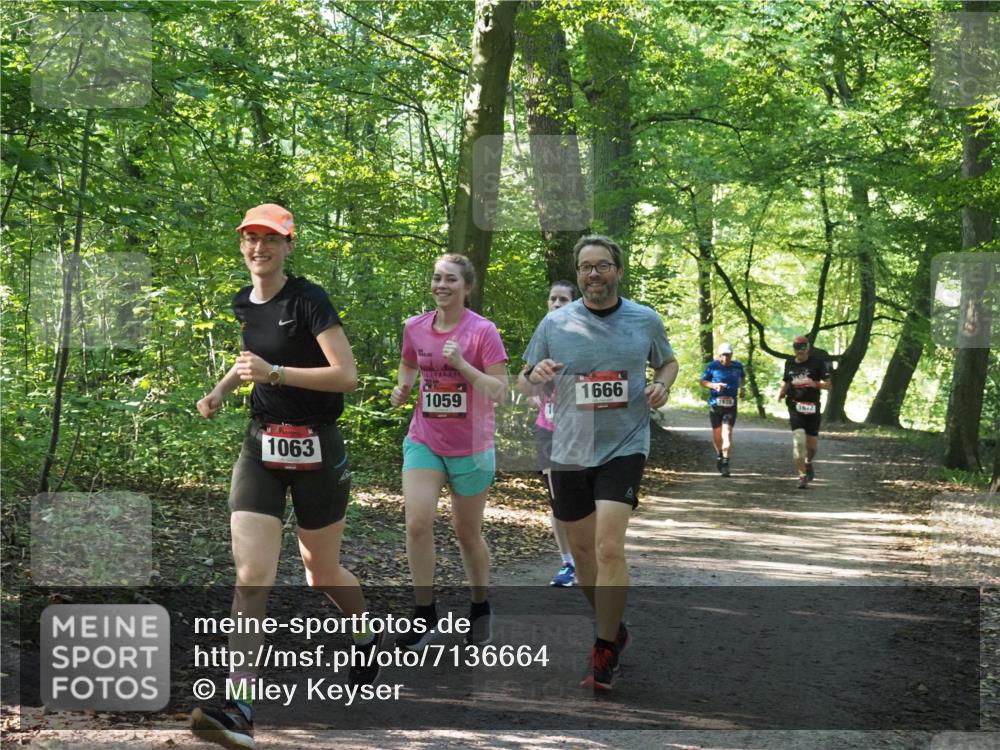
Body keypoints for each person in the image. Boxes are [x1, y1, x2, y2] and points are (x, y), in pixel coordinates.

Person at [190, 204, 380, 750]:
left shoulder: (309, 299)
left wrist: (277, 373)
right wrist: (222, 390)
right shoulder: (243, 302)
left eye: (271, 240)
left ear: (289, 246)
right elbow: (250, 355)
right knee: (252, 576)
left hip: (318, 446)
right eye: (251, 239)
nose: (259, 249)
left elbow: (347, 376)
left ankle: (365, 633)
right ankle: (239, 706)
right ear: (242, 245)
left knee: (321, 574)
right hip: (261, 447)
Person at [519, 234, 677, 691]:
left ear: (618, 271)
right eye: (586, 266)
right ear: (579, 272)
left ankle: (603, 649)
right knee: (584, 553)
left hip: (624, 445)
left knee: (609, 548)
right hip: (568, 449)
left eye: (602, 265)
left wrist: (662, 385)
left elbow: (667, 364)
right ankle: (614, 627)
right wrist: (538, 375)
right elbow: (527, 382)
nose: (594, 274)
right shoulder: (555, 323)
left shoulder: (644, 320)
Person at [390, 254, 508, 650]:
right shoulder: (415, 327)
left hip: (472, 447)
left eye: (451, 280)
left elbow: (498, 389)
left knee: (467, 532)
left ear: (467, 287)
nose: (442, 285)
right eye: (437, 278)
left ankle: (479, 606)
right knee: (417, 523)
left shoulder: (483, 331)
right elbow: (408, 364)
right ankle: (424, 614)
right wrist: (404, 387)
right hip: (425, 439)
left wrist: (461, 364)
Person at [527, 281, 578, 586]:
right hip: (547, 430)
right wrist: (534, 393)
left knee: (584, 497)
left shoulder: (588, 335)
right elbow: (526, 378)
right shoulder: (542, 335)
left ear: (574, 303)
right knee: (557, 497)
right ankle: (568, 563)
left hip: (582, 430)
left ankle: (588, 552)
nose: (557, 304)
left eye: (563, 299)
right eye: (553, 299)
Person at [777, 335, 832, 489]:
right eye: (797, 347)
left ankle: (808, 463)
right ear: (793, 349)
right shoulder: (789, 363)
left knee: (812, 447)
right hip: (795, 406)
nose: (800, 351)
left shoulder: (817, 363)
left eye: (803, 347)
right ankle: (802, 476)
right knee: (799, 441)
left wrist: (814, 384)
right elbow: (787, 381)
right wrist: (781, 392)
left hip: (813, 407)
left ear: (808, 348)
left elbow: (828, 385)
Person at [699, 343, 746, 477]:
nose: (726, 357)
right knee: (717, 434)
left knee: (727, 433)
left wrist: (742, 388)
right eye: (723, 355)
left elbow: (742, 378)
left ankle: (725, 461)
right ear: (719, 355)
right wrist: (714, 385)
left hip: (731, 405)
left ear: (732, 354)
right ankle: (719, 454)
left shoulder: (737, 366)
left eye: (728, 354)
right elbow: (702, 381)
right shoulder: (712, 366)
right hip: (715, 404)